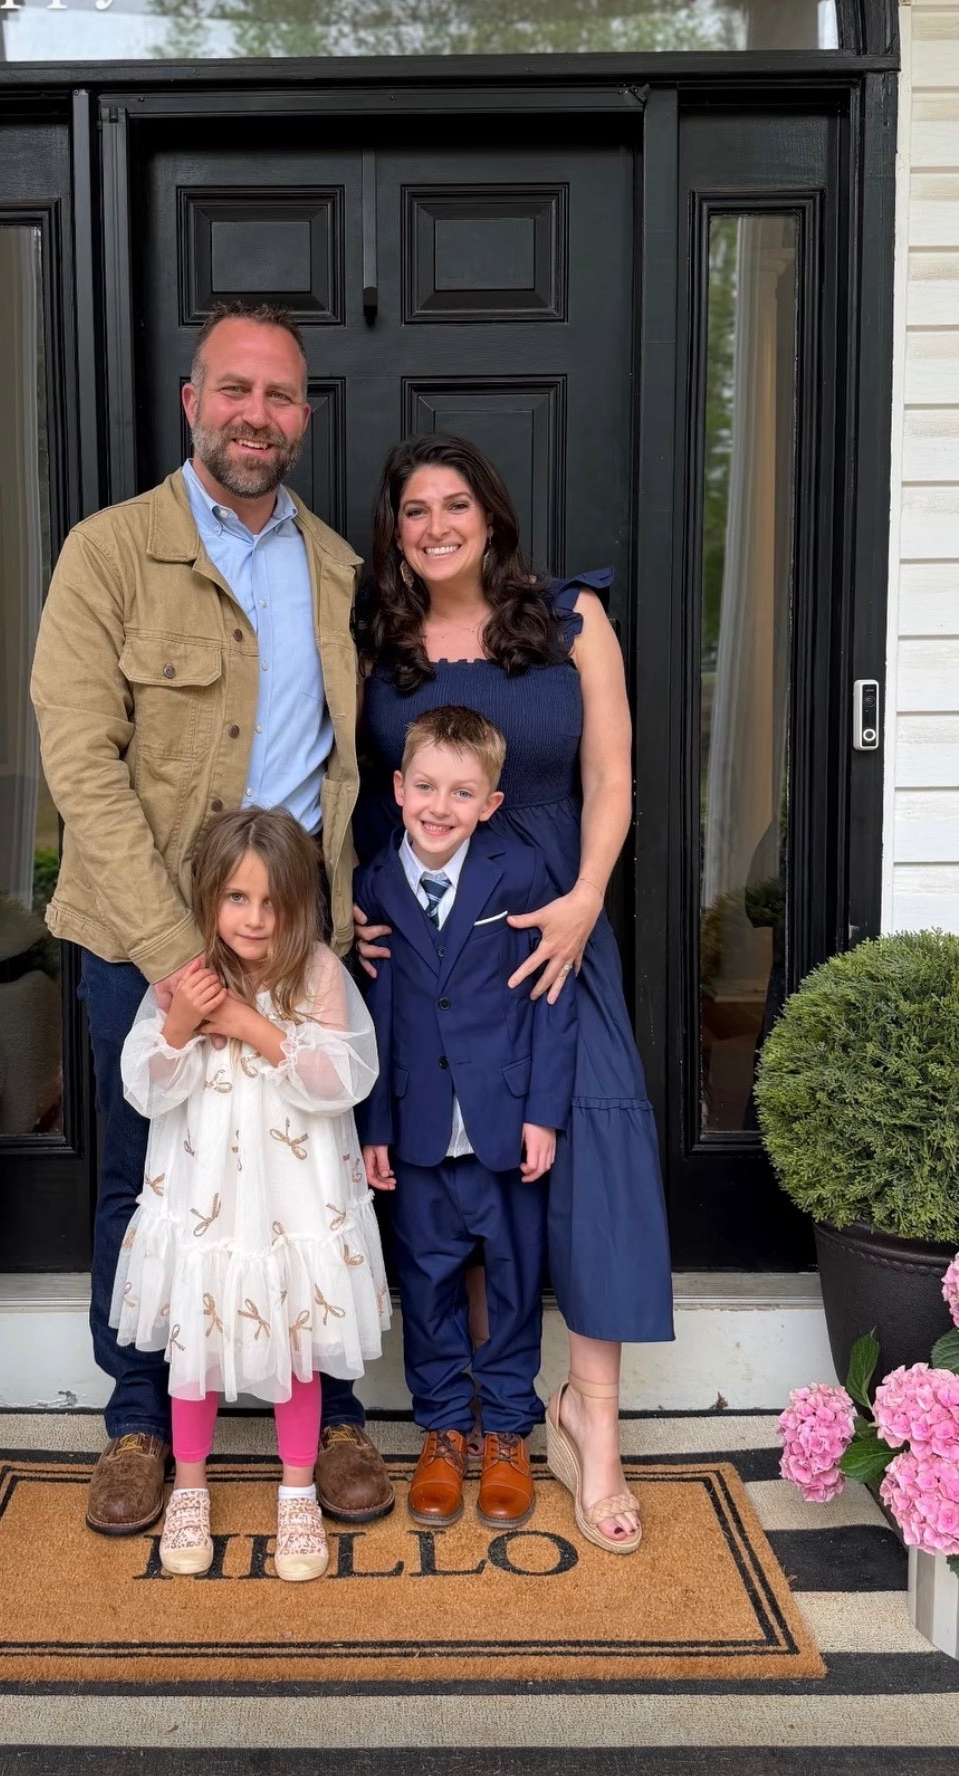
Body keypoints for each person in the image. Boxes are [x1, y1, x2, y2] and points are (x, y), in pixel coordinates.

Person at [31, 299, 393, 1539]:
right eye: (233, 389)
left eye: (280, 395)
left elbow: (353, 767)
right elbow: (82, 768)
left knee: (318, 1172)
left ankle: (334, 1416)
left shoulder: (337, 568)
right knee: (147, 1180)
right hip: (142, 940)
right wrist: (177, 959)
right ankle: (138, 1423)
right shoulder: (109, 553)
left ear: (303, 418)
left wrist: (353, 915)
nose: (256, 413)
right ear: (193, 403)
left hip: (298, 945)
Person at [354, 433, 675, 1555]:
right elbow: (351, 785)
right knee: (460, 1173)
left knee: (590, 1150)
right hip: (430, 937)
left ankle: (594, 1420)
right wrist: (347, 908)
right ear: (395, 533)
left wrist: (586, 900)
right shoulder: (378, 637)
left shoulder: (572, 619)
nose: (436, 526)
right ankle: (484, 1421)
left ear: (491, 515)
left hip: (553, 927)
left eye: (456, 504)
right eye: (414, 510)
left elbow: (613, 775)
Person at [113, 808, 389, 1581]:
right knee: (194, 1346)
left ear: (301, 903)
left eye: (273, 901)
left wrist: (245, 1023)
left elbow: (340, 1080)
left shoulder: (317, 973)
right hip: (207, 1203)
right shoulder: (187, 977)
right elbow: (146, 1090)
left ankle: (297, 1490)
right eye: (238, 898)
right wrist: (183, 1023)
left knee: (295, 1337)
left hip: (293, 1206)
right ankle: (189, 1486)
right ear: (209, 897)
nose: (256, 918)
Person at [355, 707, 576, 1530]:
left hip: (504, 1122)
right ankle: (444, 1430)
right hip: (416, 1130)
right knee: (427, 1283)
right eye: (425, 787)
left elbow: (552, 997)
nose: (439, 806)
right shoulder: (373, 883)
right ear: (397, 788)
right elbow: (373, 1017)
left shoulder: (521, 872)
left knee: (514, 1282)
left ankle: (509, 1431)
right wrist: (374, 1126)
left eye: (461, 792)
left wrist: (544, 1113)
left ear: (491, 803)